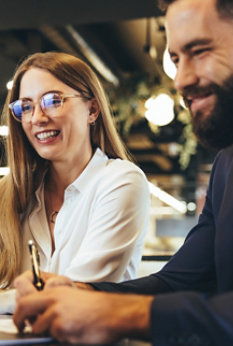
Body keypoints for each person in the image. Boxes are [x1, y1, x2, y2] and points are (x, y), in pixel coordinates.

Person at [13, 0, 233, 346]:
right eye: (175, 60)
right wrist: (83, 293)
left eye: (199, 52)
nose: (182, 79)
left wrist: (132, 315)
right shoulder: (229, 164)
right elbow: (179, 280)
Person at [0, 51, 149, 313]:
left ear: (92, 110)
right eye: (26, 106)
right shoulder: (9, 195)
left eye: (53, 101)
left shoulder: (121, 181)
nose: (37, 118)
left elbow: (77, 296)